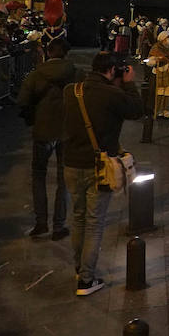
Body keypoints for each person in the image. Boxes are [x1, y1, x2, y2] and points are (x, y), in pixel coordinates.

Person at [60, 53, 143, 296]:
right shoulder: (113, 95)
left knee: (78, 217)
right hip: (99, 166)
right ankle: (86, 280)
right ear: (112, 71)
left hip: (71, 163)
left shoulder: (70, 91)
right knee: (95, 222)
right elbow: (137, 110)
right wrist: (128, 82)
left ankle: (79, 268)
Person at [15, 36, 78, 239]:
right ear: (66, 53)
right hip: (67, 130)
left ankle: (40, 222)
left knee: (39, 176)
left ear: (48, 52)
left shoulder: (35, 75)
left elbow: (23, 101)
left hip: (42, 131)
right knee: (63, 179)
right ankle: (59, 226)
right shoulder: (75, 73)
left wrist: (33, 117)